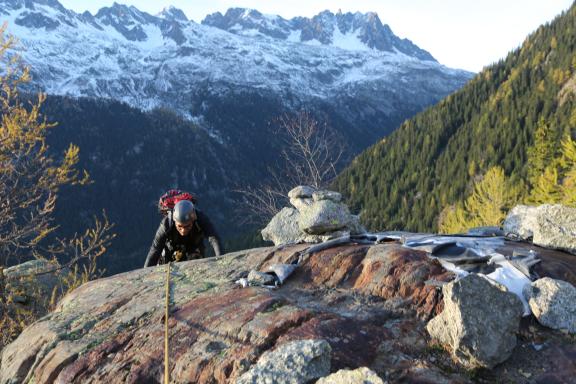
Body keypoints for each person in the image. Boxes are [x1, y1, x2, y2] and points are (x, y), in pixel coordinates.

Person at [144, 200, 222, 267]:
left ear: (193, 219)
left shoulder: (201, 219)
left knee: (196, 264)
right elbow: (155, 249)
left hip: (193, 246)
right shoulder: (166, 224)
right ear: (174, 221)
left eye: (187, 226)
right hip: (172, 248)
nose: (183, 230)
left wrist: (221, 262)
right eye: (180, 226)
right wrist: (145, 273)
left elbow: (214, 239)